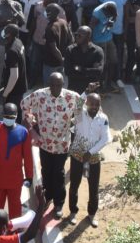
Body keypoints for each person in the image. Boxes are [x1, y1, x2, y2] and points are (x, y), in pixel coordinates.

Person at [21, 74, 93, 219]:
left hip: (62, 144)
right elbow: (23, 105)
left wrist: (74, 122)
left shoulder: (71, 96)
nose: (55, 88)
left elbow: (80, 108)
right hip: (45, 143)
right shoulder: (40, 95)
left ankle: (59, 203)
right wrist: (32, 128)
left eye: (58, 85)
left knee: (59, 173)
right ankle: (47, 197)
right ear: (49, 84)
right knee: (46, 171)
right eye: (53, 85)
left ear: (63, 84)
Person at [67, 92, 111, 227]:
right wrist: (86, 91)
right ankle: (73, 212)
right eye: (92, 104)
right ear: (87, 103)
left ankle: (92, 214)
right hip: (77, 156)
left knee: (93, 188)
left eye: (97, 104)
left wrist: (90, 152)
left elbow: (106, 138)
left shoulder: (103, 119)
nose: (94, 107)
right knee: (74, 185)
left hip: (93, 159)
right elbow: (77, 104)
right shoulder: (80, 115)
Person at [64, 26, 104, 94]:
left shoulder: (97, 51)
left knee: (90, 105)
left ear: (88, 37)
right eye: (76, 35)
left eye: (79, 35)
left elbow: (99, 71)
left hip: (91, 92)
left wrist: (80, 69)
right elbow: (68, 71)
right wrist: (90, 71)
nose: (76, 37)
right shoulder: (70, 50)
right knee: (76, 105)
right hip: (74, 92)